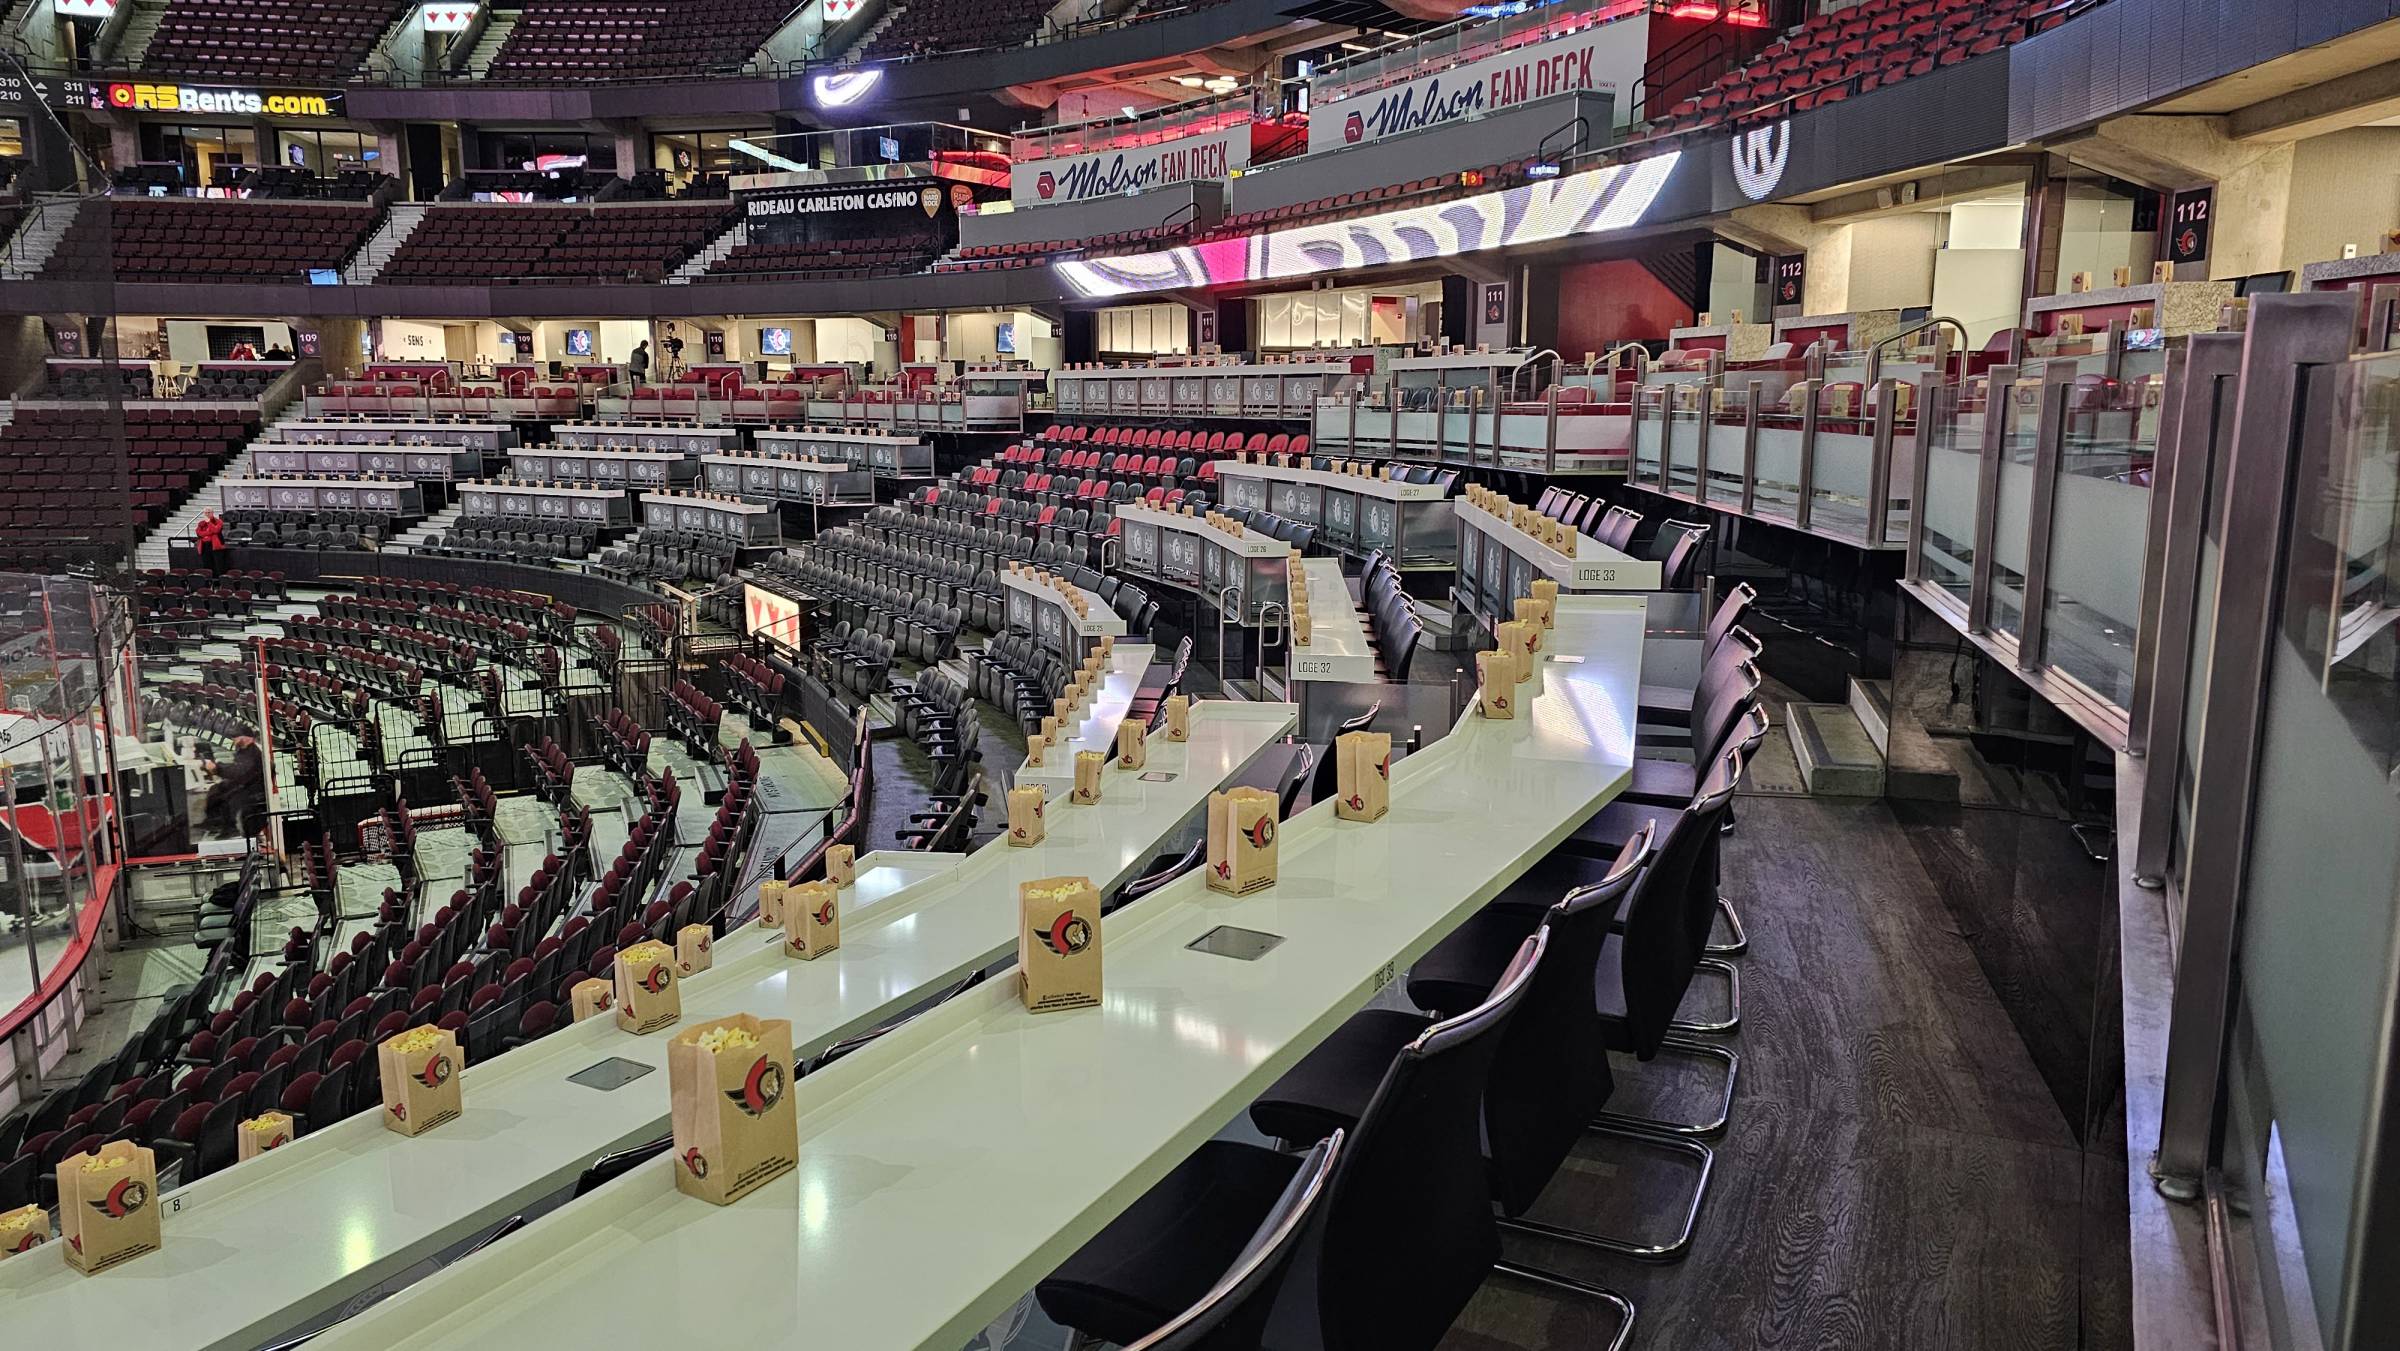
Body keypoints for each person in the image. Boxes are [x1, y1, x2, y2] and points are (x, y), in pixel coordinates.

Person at [199, 735, 266, 840]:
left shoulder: (253, 752)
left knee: (228, 797)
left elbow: (239, 771)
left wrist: (217, 768)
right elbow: (237, 770)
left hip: (253, 787)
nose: (234, 739)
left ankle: (231, 829)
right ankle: (214, 822)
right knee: (216, 789)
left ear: (248, 738)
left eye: (237, 737)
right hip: (245, 783)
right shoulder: (243, 750)